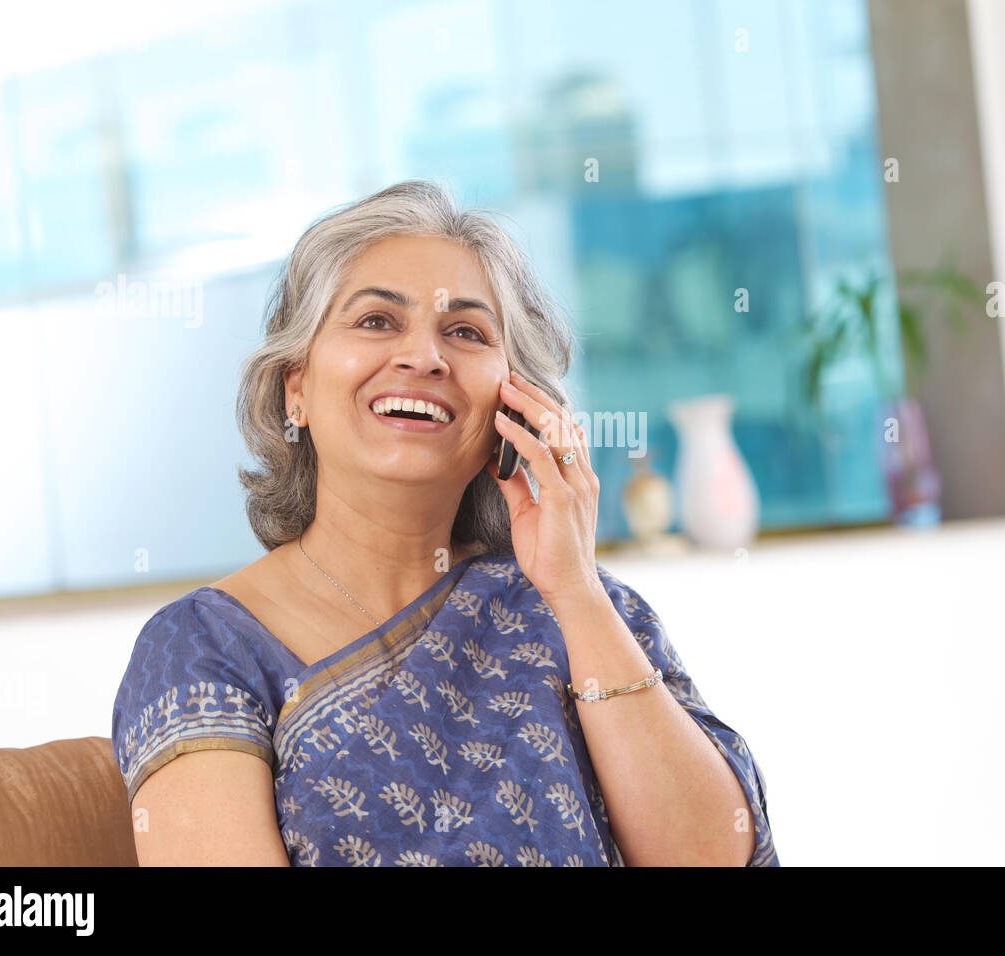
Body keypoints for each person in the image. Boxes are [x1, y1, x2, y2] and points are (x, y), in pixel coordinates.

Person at [111, 180, 778, 866]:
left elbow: (708, 857)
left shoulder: (580, 608)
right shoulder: (203, 649)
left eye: (465, 332)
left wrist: (574, 593)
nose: (424, 357)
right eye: (376, 321)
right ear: (298, 388)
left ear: (513, 408)